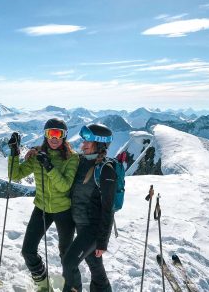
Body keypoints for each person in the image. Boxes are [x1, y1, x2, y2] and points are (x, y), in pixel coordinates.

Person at [8, 118, 79, 291]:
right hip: (41, 208)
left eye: (58, 133)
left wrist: (48, 165)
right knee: (27, 250)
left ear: (64, 136)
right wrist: (14, 153)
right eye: (50, 133)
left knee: (66, 255)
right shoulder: (37, 155)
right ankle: (43, 286)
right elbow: (14, 175)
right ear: (45, 135)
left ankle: (71, 288)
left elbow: (64, 186)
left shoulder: (72, 158)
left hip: (64, 210)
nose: (54, 138)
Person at [62, 123, 117, 292]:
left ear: (99, 144)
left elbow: (108, 209)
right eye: (83, 141)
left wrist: (102, 241)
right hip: (81, 224)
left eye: (88, 142)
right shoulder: (81, 162)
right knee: (95, 266)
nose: (83, 144)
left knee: (69, 263)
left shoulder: (106, 170)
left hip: (92, 229)